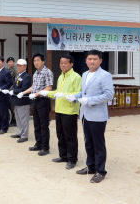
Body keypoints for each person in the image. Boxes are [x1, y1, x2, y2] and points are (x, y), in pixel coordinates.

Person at [66, 50, 114, 183]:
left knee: (98, 144)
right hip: (85, 114)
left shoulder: (105, 75)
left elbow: (109, 95)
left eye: (95, 59)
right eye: (89, 59)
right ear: (86, 60)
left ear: (100, 60)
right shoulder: (85, 74)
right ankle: (91, 166)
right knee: (88, 143)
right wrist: (75, 96)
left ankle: (100, 171)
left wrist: (90, 100)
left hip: (98, 115)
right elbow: (84, 92)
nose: (92, 61)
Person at [39, 54, 81, 169]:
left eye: (65, 63)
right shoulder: (61, 76)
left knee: (70, 136)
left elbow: (78, 93)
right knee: (60, 134)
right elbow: (58, 91)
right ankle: (63, 156)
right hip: (59, 109)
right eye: (61, 63)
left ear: (71, 64)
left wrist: (64, 95)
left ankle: (72, 159)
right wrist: (48, 93)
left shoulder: (76, 77)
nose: (62, 65)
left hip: (70, 110)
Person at [19, 53, 53, 156]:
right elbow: (33, 87)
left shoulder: (47, 72)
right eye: (34, 61)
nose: (36, 62)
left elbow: (49, 87)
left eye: (38, 60)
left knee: (44, 125)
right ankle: (38, 144)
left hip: (43, 100)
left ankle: (45, 147)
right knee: (36, 123)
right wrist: (24, 93)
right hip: (35, 100)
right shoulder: (36, 73)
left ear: (43, 61)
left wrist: (36, 94)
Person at [10, 59, 31, 143]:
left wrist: (14, 91)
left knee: (23, 119)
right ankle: (19, 132)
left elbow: (24, 88)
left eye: (20, 66)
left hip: (23, 101)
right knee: (18, 118)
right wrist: (11, 90)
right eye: (17, 65)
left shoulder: (26, 76)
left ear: (25, 66)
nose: (18, 67)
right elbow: (15, 86)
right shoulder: (18, 75)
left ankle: (24, 135)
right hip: (16, 100)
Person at [6, 56, 17, 125]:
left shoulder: (16, 71)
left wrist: (12, 89)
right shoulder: (6, 70)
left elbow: (16, 81)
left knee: (13, 106)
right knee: (8, 105)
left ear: (14, 63)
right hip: (6, 90)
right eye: (9, 62)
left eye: (11, 62)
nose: (10, 63)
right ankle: (9, 118)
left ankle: (14, 120)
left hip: (12, 90)